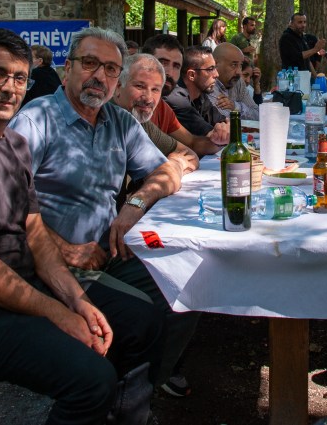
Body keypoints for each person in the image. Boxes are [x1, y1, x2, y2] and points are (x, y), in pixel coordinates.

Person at [0, 28, 162, 423]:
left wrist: (75, 299)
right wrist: (58, 313)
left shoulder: (11, 144)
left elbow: (36, 234)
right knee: (92, 380)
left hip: (25, 283)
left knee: (142, 320)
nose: (10, 88)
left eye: (20, 78)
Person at [10, 27, 197, 396]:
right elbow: (6, 203)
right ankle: (113, 397)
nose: (100, 76)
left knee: (188, 283)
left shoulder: (118, 121)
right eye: (90, 63)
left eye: (111, 69)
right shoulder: (37, 120)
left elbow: (167, 171)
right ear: (68, 68)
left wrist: (134, 205)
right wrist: (66, 249)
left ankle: (137, 391)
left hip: (109, 251)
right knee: (142, 315)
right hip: (54, 264)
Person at [141, 35, 228, 157]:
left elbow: (192, 143)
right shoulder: (173, 99)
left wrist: (223, 137)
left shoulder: (163, 107)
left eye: (176, 66)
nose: (169, 72)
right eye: (162, 63)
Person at [114, 54, 199, 174]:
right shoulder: (104, 118)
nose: (148, 98)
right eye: (140, 86)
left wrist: (175, 166)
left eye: (155, 89)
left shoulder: (140, 122)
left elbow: (191, 156)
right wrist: (172, 167)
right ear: (118, 86)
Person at [164, 45, 229, 137]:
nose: (216, 74)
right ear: (191, 75)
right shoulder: (176, 99)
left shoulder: (200, 94)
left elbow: (224, 122)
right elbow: (213, 135)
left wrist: (227, 127)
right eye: (210, 69)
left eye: (215, 68)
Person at [210, 43, 259, 121]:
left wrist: (235, 106)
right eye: (234, 65)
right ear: (215, 64)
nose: (239, 72)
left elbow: (257, 114)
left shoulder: (238, 82)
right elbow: (224, 120)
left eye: (240, 66)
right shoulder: (209, 84)